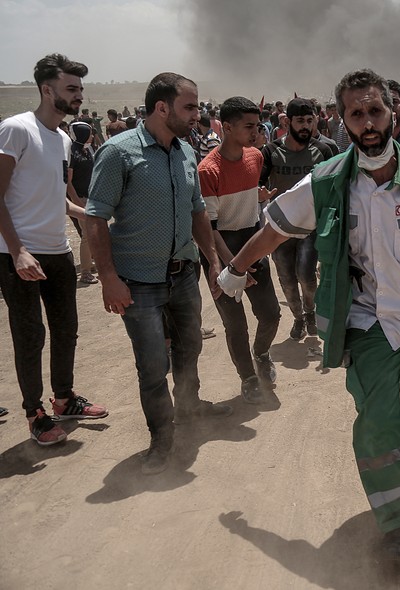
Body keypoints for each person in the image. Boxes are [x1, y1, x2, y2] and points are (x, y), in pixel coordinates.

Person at [217, 68, 400, 560]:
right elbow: (274, 230)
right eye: (357, 113)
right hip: (368, 321)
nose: (368, 122)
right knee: (376, 421)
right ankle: (397, 524)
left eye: (375, 110)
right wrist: (234, 268)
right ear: (343, 121)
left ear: (392, 112)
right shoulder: (330, 182)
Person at [86, 72, 232, 476]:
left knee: (190, 347)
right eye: (189, 106)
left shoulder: (184, 151)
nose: (197, 114)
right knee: (152, 365)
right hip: (138, 281)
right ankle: (161, 439)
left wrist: (212, 260)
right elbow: (96, 219)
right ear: (162, 107)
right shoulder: (119, 152)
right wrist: (109, 278)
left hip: (183, 274)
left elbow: (197, 210)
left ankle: (189, 408)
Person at [0, 53, 108, 446]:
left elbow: (60, 200)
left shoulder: (62, 138)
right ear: (47, 89)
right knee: (30, 336)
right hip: (19, 254)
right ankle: (35, 414)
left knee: (67, 330)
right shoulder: (16, 129)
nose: (79, 95)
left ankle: (63, 399)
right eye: (71, 88)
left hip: (57, 250)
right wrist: (17, 251)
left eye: (80, 88)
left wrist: (95, 216)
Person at [197, 96, 281, 405]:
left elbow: (247, 201)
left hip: (253, 242)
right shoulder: (208, 170)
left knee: (271, 313)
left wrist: (258, 198)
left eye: (257, 125)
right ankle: (247, 377)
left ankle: (262, 354)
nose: (256, 131)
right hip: (224, 250)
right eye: (248, 126)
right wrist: (233, 267)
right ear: (226, 127)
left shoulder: (256, 157)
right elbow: (211, 227)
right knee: (236, 325)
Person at [259, 98, 331, 340]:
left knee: (307, 276)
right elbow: (257, 182)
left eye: (310, 121)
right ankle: (298, 318)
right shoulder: (270, 152)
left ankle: (310, 311)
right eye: (300, 121)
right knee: (287, 279)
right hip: (280, 229)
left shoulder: (324, 150)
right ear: (288, 121)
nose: (306, 126)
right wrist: (260, 194)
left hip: (310, 228)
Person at [68, 121, 97, 284]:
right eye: (90, 133)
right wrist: (77, 201)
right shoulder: (71, 152)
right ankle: (85, 272)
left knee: (95, 233)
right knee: (87, 235)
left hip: (91, 197)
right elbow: (68, 181)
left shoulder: (85, 150)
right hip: (81, 199)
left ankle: (92, 263)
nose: (92, 136)